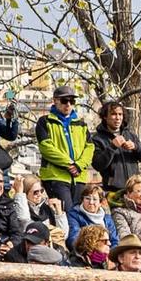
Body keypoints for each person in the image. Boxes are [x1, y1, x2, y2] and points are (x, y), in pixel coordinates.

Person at [35, 87, 92, 215]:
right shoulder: (45, 121)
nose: (68, 104)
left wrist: (79, 165)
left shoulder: (81, 124)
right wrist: (69, 164)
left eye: (72, 101)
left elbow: (90, 147)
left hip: (79, 177)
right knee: (65, 213)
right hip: (56, 176)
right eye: (64, 100)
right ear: (55, 101)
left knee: (79, 214)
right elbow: (46, 147)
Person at [89, 99, 141, 190]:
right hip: (113, 189)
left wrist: (136, 147)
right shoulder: (97, 138)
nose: (118, 118)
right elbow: (98, 165)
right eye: (113, 114)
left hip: (134, 188)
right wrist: (112, 147)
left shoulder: (130, 135)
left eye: (120, 114)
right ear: (105, 117)